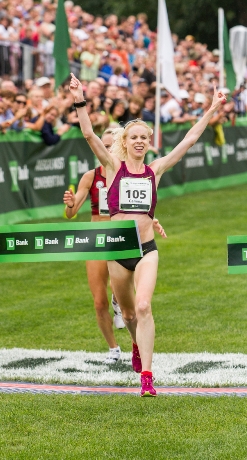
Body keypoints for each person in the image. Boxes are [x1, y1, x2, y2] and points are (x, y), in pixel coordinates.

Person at [70, 72, 226, 396]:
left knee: (143, 307)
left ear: (149, 142)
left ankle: (147, 378)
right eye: (134, 137)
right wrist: (79, 98)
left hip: (145, 250)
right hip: (117, 250)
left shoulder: (155, 171)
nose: (140, 141)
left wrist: (211, 109)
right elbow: (88, 133)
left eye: (145, 137)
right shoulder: (113, 167)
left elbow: (189, 141)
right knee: (127, 314)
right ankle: (134, 344)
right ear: (125, 142)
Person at [63, 129, 166, 365]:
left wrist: (153, 221)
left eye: (110, 145)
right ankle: (113, 347)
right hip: (97, 240)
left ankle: (122, 306)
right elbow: (71, 213)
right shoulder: (91, 176)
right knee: (99, 301)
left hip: (122, 239)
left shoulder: (122, 172)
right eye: (104, 145)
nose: (107, 149)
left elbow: (138, 209)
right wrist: (69, 205)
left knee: (128, 299)